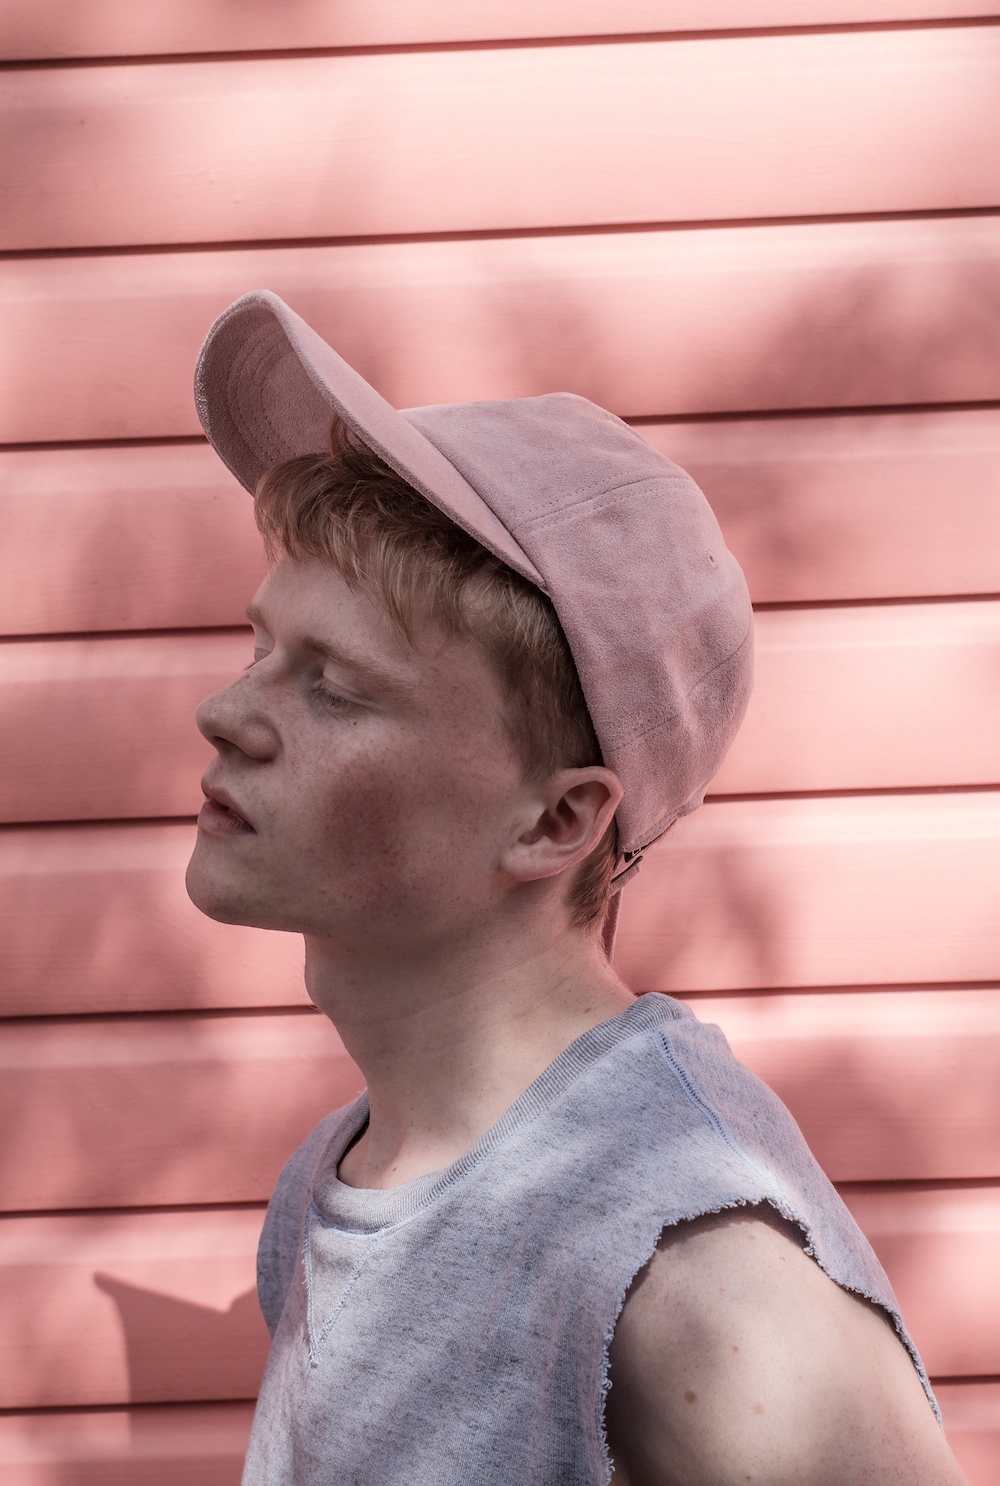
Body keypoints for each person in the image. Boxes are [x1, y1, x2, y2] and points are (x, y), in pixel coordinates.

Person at [186, 290, 969, 1485]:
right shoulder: (338, 1177)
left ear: (555, 821)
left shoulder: (691, 1258)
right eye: (261, 649)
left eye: (333, 686)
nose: (224, 713)